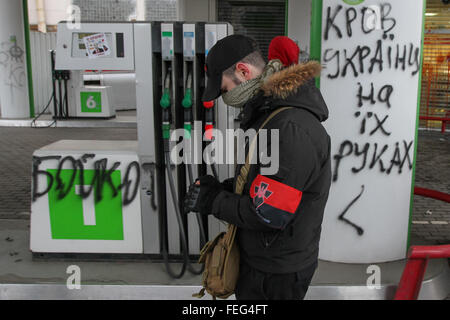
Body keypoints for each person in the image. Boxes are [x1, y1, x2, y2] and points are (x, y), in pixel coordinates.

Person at [184, 35, 331, 300]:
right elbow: (263, 184)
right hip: (262, 258)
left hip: (276, 272)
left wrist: (213, 201)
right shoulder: (268, 115)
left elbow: (269, 212)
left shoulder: (290, 127)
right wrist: (222, 188)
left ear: (243, 71)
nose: (225, 98)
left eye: (225, 89)